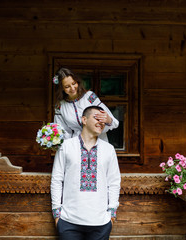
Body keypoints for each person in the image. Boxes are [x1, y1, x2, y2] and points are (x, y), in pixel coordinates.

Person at [51, 106, 121, 240]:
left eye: (103, 119)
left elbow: (114, 182)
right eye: (96, 117)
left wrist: (111, 215)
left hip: (100, 222)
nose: (101, 122)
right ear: (84, 119)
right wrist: (57, 215)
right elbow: (56, 179)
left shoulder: (109, 149)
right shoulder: (66, 146)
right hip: (68, 221)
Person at [53, 68, 119, 142]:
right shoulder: (60, 106)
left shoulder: (90, 97)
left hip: (98, 142)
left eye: (74, 83)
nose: (72, 88)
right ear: (61, 88)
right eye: (67, 87)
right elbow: (63, 131)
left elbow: (113, 122)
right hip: (76, 146)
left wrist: (108, 120)